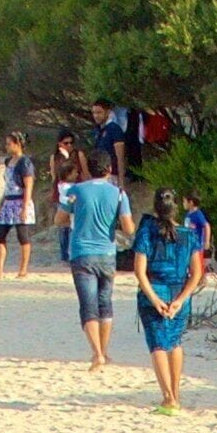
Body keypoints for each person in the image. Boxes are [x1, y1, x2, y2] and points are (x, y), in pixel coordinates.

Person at [54, 149, 135, 370]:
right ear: (109, 169)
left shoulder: (76, 191)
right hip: (107, 253)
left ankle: (96, 353)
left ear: (88, 169)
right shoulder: (119, 194)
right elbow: (128, 228)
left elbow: (59, 219)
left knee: (87, 306)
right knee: (105, 303)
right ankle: (104, 351)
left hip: (81, 252)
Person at [132, 186, 207, 413]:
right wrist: (182, 299)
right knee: (174, 342)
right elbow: (196, 273)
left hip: (155, 290)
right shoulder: (189, 235)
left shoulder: (146, 232)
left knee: (158, 344)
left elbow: (139, 271)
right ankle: (175, 394)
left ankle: (168, 398)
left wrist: (154, 299)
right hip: (179, 291)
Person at [0, 130, 37, 279]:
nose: (7, 146)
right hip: (8, 201)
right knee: (0, 234)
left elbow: (28, 186)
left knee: (23, 236)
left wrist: (25, 207)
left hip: (20, 201)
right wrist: (0, 205)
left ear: (18, 144)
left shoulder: (25, 163)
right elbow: (7, 186)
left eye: (9, 144)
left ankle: (23, 270)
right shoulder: (8, 161)